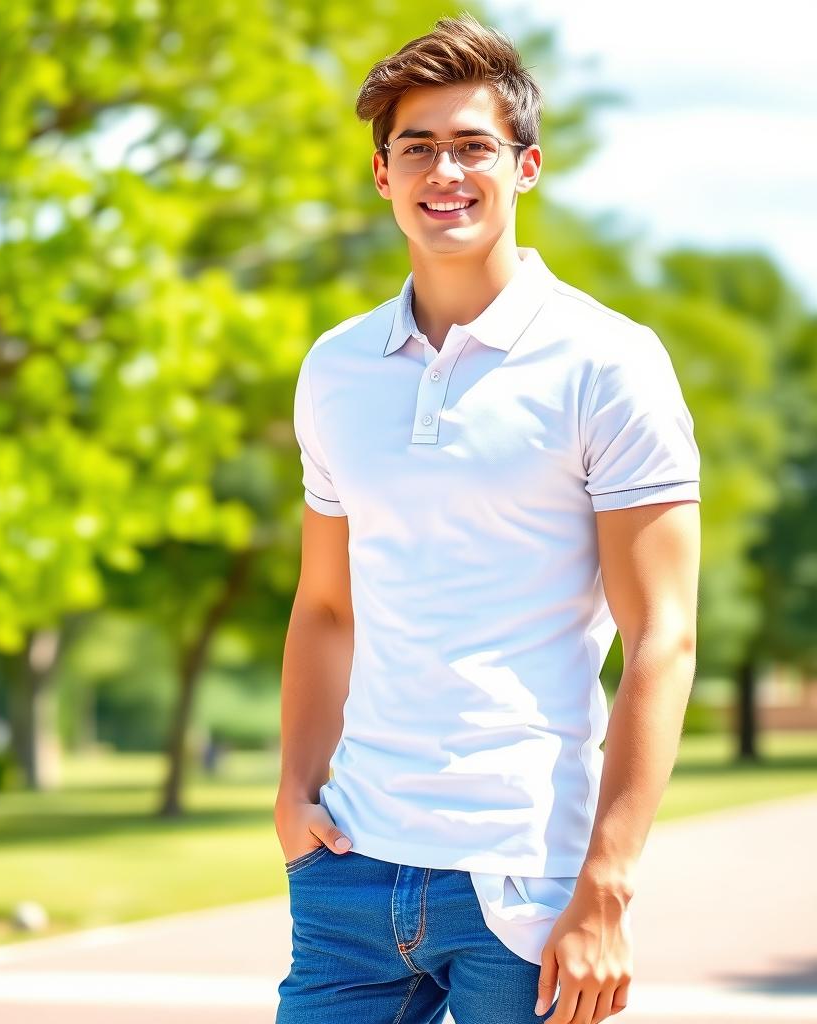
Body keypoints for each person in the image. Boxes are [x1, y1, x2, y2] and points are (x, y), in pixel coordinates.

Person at [273, 12, 702, 1024]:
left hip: (528, 881)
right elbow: (327, 604)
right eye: (415, 147)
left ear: (527, 167)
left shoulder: (609, 361)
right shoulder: (335, 368)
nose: (444, 171)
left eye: (473, 146)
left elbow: (663, 637)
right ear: (382, 175)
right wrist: (294, 793)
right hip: (350, 872)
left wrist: (606, 885)